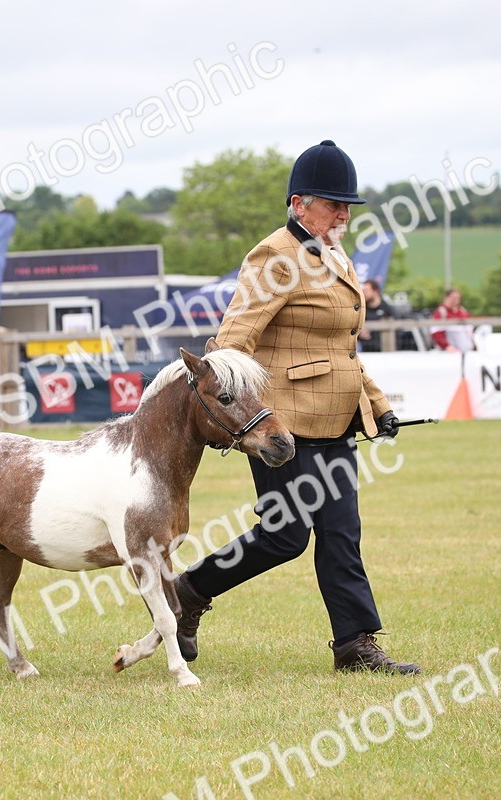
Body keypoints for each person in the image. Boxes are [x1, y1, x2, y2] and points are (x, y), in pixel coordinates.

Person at [174, 139, 420, 676]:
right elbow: (233, 342)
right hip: (280, 426)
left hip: (334, 421)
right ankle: (189, 590)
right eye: (333, 203)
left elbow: (343, 350)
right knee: (284, 537)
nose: (343, 214)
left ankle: (355, 645)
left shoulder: (335, 256)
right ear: (298, 202)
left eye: (348, 206)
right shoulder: (275, 257)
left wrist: (376, 406)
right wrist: (240, 416)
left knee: (341, 533)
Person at [357, 279, 397, 353]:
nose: (363, 293)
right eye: (363, 290)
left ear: (375, 291)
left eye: (366, 290)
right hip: (367, 352)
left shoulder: (387, 309)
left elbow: (397, 331)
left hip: (386, 352)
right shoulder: (361, 310)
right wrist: (360, 334)